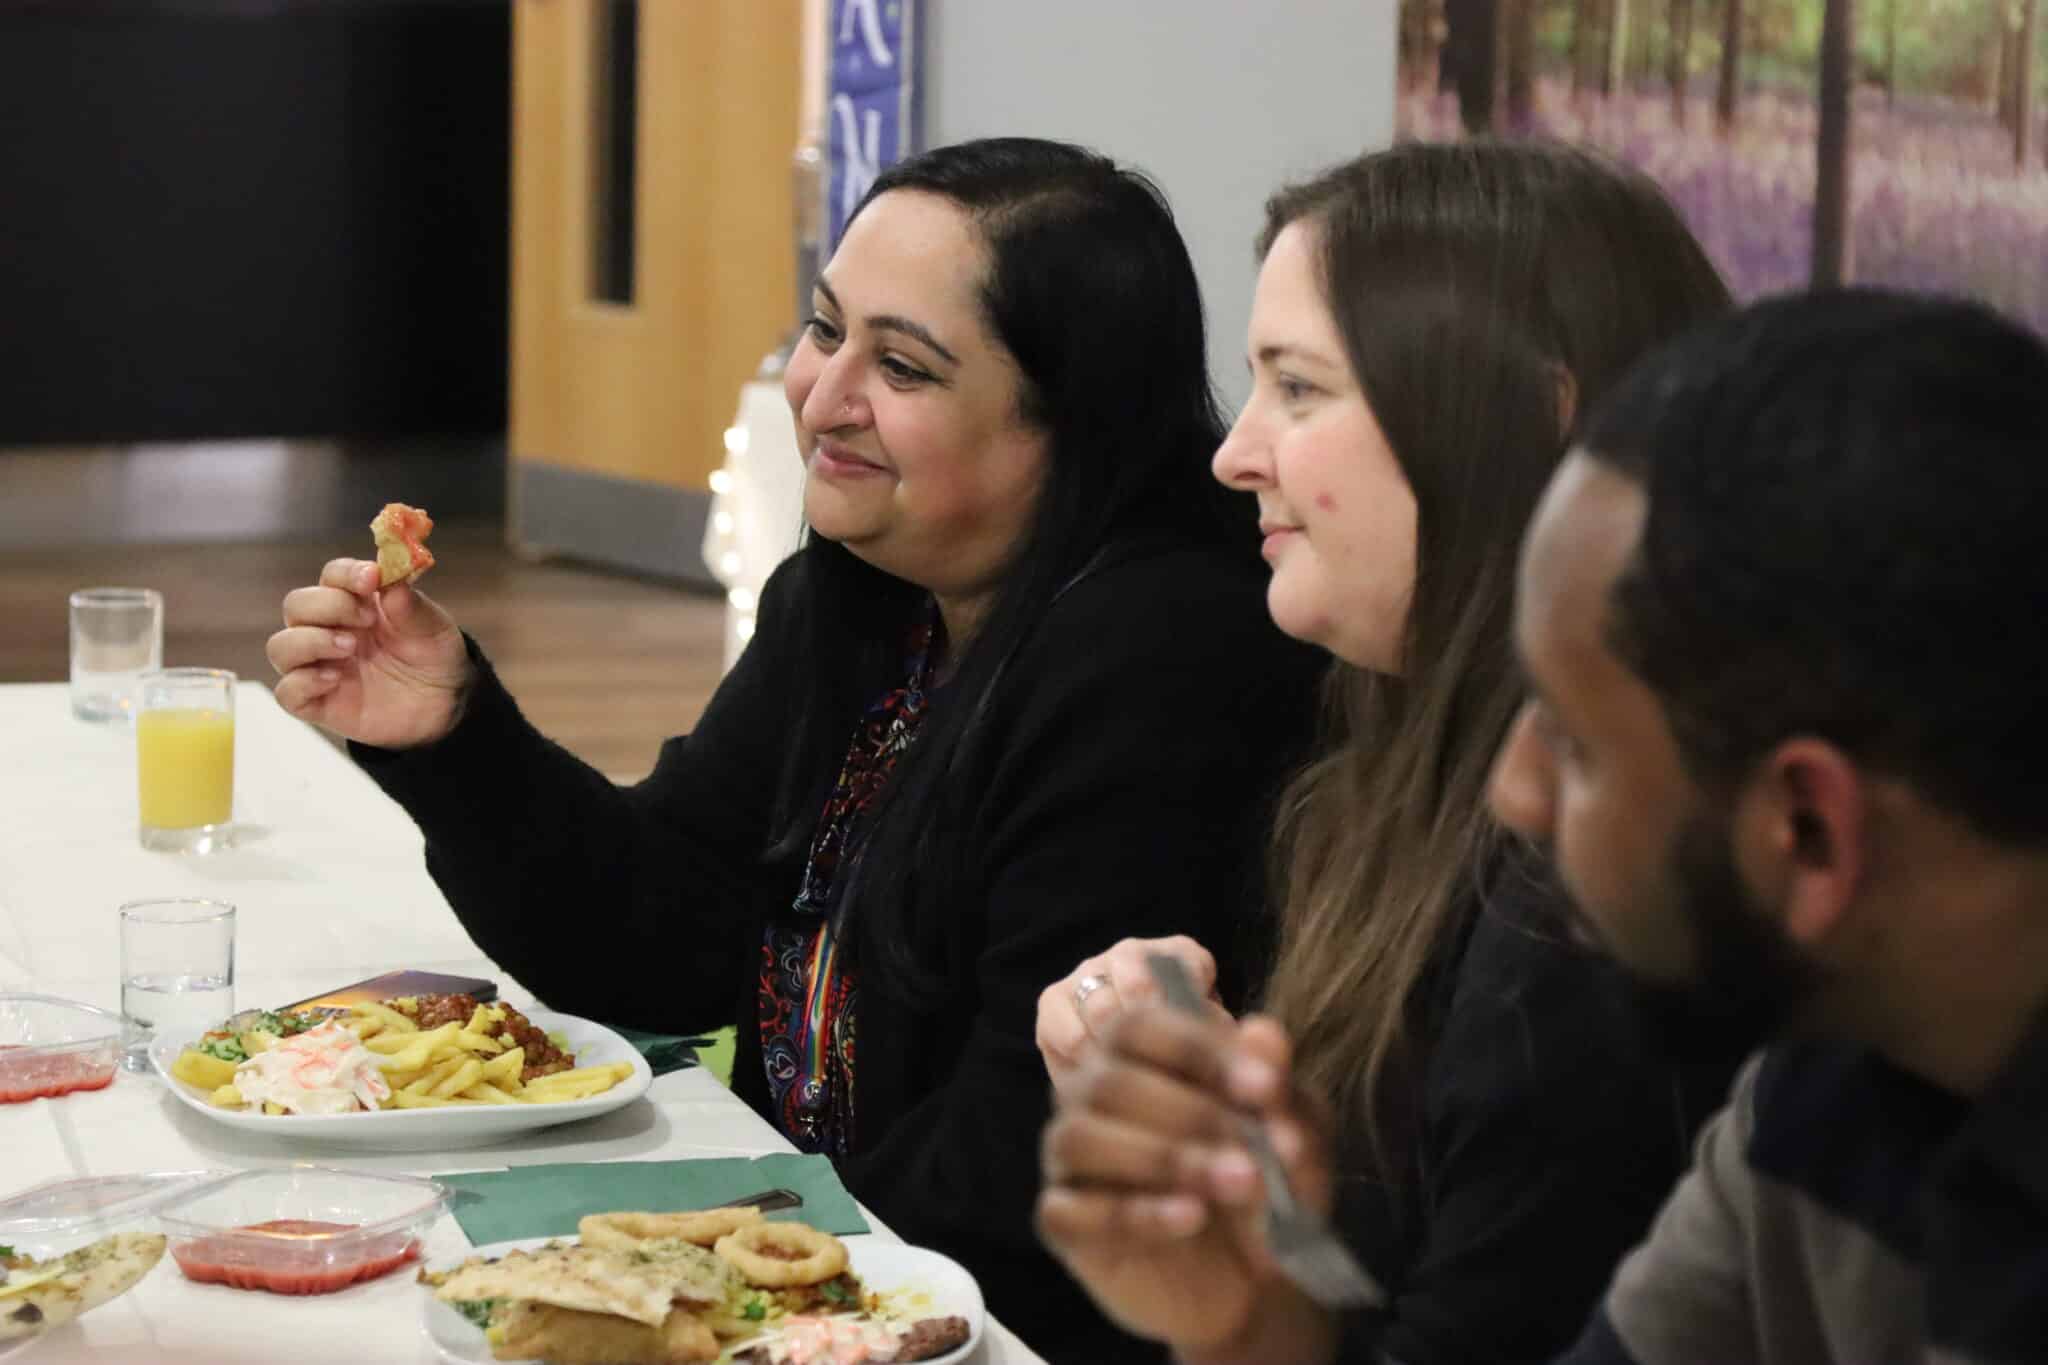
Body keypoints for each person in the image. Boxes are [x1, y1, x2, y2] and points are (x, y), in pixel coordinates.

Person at [266, 137, 1324, 1362]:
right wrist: (454, 736)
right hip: (839, 1267)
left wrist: (692, 1268)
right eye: (825, 332)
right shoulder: (860, 592)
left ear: (1064, 422)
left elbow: (1014, 1153)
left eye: (904, 368)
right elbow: (661, 941)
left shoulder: (1160, 657)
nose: (823, 398)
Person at [1034, 140, 1746, 1364]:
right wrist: (1223, 1150)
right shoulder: (1382, 776)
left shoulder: (1572, 909)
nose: (1233, 453)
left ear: (1533, 417)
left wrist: (1230, 1276)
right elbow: (1344, 1286)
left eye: (1298, 389)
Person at [1488, 289, 2048, 1363]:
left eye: (1569, 740)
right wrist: (1244, 1324)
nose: (1511, 793)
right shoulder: (1837, 1065)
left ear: (1806, 834)